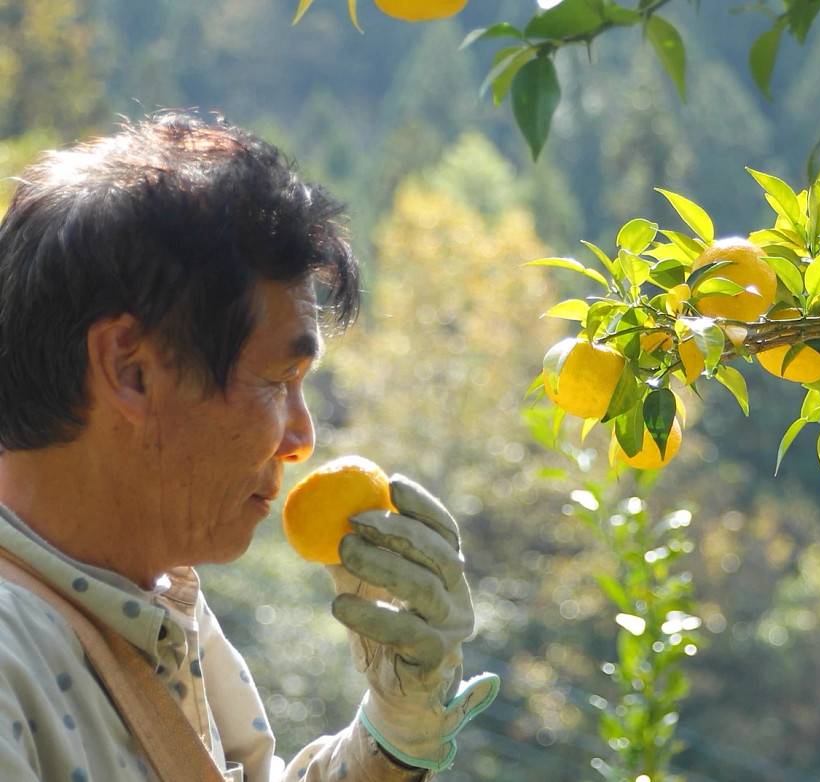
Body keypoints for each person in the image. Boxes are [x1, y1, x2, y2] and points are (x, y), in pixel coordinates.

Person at [0, 113, 498, 781]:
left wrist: (394, 736)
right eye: (278, 381)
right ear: (131, 369)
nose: (301, 438)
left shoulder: (157, 600)